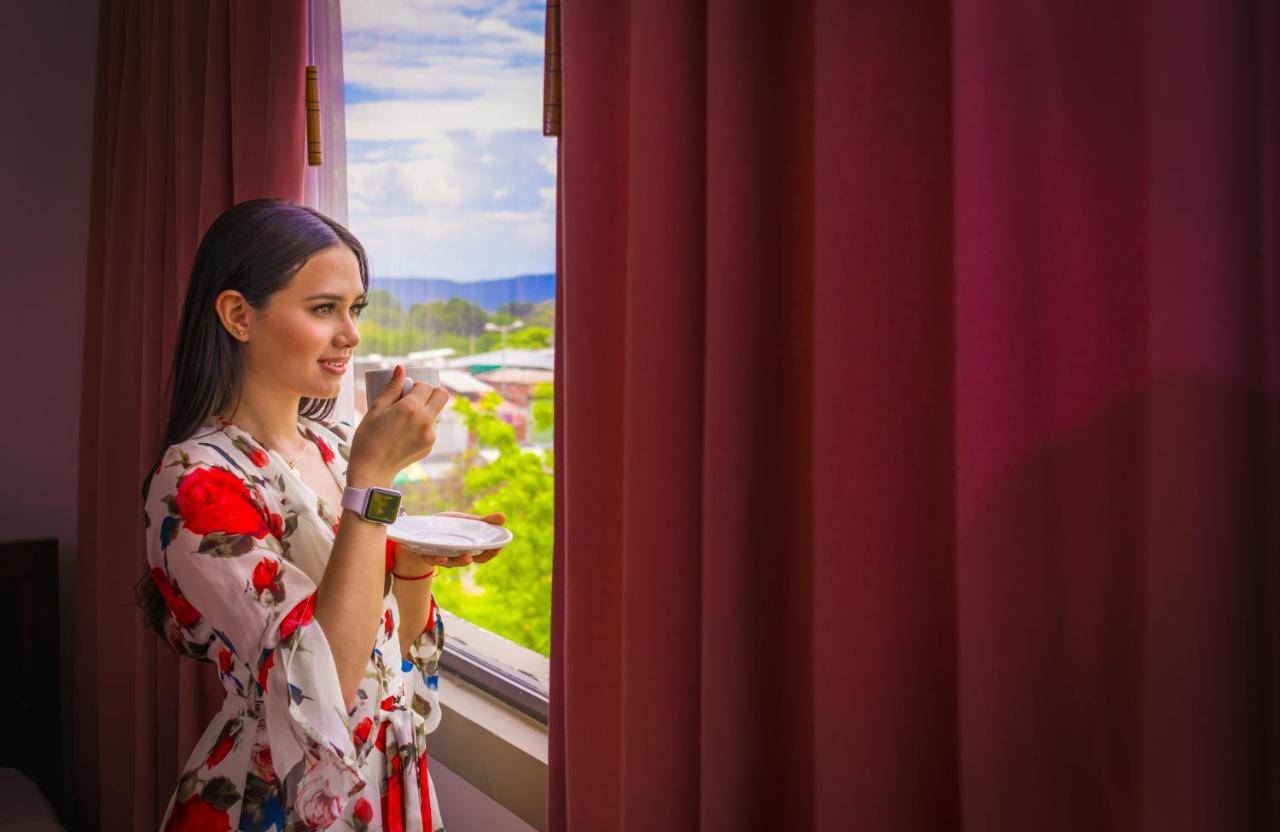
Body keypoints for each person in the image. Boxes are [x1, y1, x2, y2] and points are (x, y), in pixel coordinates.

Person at [136, 198, 507, 831]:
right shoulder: (194, 481)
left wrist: (413, 559)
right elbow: (325, 686)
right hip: (277, 795)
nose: (351, 334)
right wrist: (374, 480)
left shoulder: (336, 448)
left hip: (387, 780)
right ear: (239, 316)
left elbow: (392, 653)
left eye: (355, 308)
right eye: (323, 308)